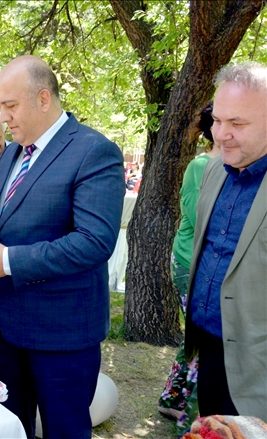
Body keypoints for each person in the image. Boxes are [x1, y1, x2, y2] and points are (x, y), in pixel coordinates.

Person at [0, 56, 125, 438]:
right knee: (9, 427)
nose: (2, 118)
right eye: (0, 106)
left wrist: (10, 260)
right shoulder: (14, 152)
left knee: (64, 430)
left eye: (10, 106)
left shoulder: (93, 151)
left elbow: (94, 242)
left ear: (43, 99)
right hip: (9, 329)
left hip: (62, 335)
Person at [184, 61, 267, 421]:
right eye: (218, 120)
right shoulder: (214, 170)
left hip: (258, 367)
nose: (221, 134)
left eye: (237, 124)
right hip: (208, 347)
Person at [158, 102, 219, 431]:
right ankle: (187, 414)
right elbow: (199, 218)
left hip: (210, 264)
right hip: (188, 262)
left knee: (196, 336)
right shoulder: (202, 165)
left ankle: (172, 400)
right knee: (200, 336)